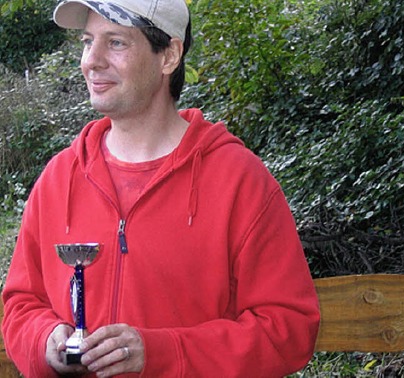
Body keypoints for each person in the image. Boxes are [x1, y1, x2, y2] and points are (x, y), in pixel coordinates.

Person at [1, 0, 320, 377]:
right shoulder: (59, 178)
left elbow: (288, 329)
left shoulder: (239, 180)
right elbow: (21, 303)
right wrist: (45, 340)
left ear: (169, 55)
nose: (92, 61)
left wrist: (163, 353)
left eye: (116, 42)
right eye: (88, 42)